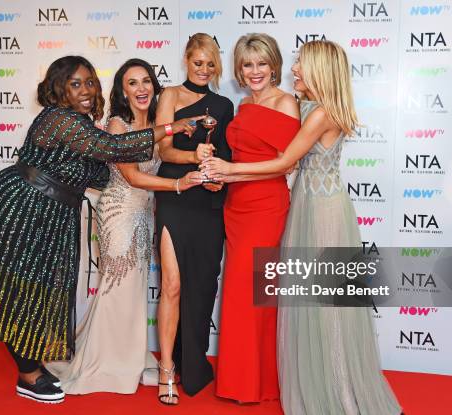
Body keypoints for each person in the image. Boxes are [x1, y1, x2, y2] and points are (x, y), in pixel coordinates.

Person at [0, 55, 201, 404]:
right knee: (23, 288)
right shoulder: (58, 119)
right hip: (22, 204)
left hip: (53, 210)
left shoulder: (81, 124)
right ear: (58, 88)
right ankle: (27, 374)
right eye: (76, 83)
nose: (86, 90)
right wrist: (171, 127)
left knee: (43, 287)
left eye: (90, 82)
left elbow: (101, 169)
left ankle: (34, 363)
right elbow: (113, 149)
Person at [202, 40, 402, 415]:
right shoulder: (312, 107)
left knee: (326, 304)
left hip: (323, 211)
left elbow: (286, 161)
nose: (294, 70)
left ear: (320, 72)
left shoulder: (320, 113)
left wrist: (229, 170)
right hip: (306, 205)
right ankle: (314, 381)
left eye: (301, 66)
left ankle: (341, 393)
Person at [46, 59, 204, 395]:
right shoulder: (118, 124)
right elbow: (132, 176)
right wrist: (179, 186)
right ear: (122, 91)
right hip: (118, 212)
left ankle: (128, 356)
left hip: (145, 212)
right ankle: (108, 361)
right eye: (132, 83)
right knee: (117, 286)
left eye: (146, 81)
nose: (142, 89)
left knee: (133, 290)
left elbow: (168, 157)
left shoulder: (160, 122)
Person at [210, 33, 300, 404]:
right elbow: (241, 159)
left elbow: (285, 163)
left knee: (256, 295)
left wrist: (231, 171)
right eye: (248, 64)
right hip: (236, 205)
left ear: (274, 65)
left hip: (265, 205)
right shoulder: (243, 104)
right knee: (238, 294)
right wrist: (222, 176)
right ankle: (241, 380)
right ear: (239, 70)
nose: (255, 71)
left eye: (262, 63)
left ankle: (257, 384)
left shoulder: (286, 103)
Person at [154, 33, 233, 405]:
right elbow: (164, 148)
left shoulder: (223, 104)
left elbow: (228, 154)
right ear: (186, 59)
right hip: (174, 195)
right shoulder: (169, 95)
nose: (203, 69)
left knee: (202, 285)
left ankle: (194, 364)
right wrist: (193, 157)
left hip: (207, 204)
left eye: (210, 63)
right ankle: (166, 369)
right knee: (172, 285)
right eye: (197, 62)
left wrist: (219, 179)